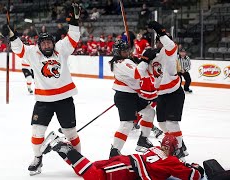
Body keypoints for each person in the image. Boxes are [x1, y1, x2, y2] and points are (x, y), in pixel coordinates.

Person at [2, 3, 81, 176]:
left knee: (70, 132)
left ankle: (79, 160)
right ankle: (37, 158)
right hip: (44, 101)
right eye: (43, 43)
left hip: (65, 99)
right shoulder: (32, 53)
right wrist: (12, 36)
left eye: (49, 42)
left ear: (53, 43)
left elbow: (73, 38)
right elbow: (18, 48)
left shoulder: (61, 49)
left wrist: (74, 21)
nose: (46, 45)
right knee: (37, 131)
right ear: (39, 45)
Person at [41, 132, 204, 180]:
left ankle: (61, 149)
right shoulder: (171, 160)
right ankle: (65, 147)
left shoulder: (155, 148)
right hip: (126, 169)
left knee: (88, 168)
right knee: (95, 177)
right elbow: (192, 176)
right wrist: (196, 168)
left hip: (124, 160)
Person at [108, 40, 158, 157]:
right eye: (124, 51)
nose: (127, 52)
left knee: (150, 112)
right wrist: (144, 60)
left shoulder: (125, 61)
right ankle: (114, 151)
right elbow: (137, 74)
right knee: (126, 124)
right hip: (124, 97)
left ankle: (143, 140)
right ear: (117, 52)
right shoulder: (120, 62)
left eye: (127, 50)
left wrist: (140, 61)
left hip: (132, 96)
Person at [146, 21, 188, 160]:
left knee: (171, 123)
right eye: (160, 41)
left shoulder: (169, 50)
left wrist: (160, 31)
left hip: (174, 93)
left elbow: (169, 44)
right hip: (162, 94)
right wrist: (142, 59)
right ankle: (178, 142)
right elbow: (142, 72)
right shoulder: (153, 55)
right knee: (162, 124)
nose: (162, 43)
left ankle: (179, 149)